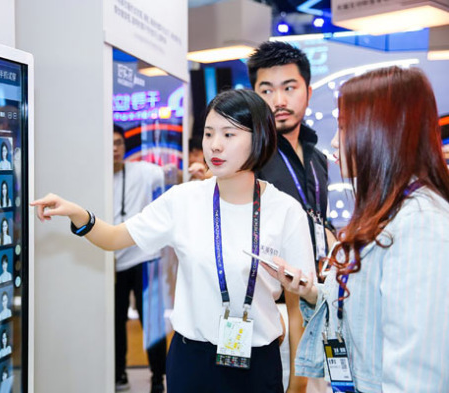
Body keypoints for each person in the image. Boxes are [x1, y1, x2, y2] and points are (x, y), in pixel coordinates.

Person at [31, 89, 315, 392]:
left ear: (259, 137)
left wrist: (298, 383)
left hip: (256, 361)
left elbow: (303, 304)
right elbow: (114, 238)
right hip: (191, 359)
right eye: (208, 133)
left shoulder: (286, 212)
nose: (214, 145)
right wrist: (77, 213)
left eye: (229, 134)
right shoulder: (184, 200)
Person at [266, 66, 449, 392]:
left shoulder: (421, 225)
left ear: (383, 132)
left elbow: (417, 374)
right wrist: (310, 291)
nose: (335, 141)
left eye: (344, 127)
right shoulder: (389, 211)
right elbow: (371, 311)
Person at [248, 41, 335, 267]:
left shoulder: (318, 158)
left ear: (308, 92)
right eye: (267, 91)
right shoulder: (249, 158)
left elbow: (316, 215)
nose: (279, 101)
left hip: (315, 283)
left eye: (289, 88)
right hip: (271, 288)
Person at [112, 125, 167, 393]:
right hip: (111, 260)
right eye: (109, 143)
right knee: (115, 320)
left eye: (119, 143)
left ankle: (157, 377)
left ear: (125, 146)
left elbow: (169, 174)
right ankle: (117, 373)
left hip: (145, 257)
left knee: (151, 320)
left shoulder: (142, 171)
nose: (114, 148)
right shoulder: (94, 176)